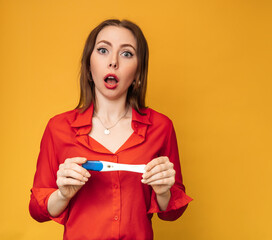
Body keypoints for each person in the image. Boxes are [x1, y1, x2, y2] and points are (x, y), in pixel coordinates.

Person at [29, 19, 192, 240]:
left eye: (126, 54)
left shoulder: (161, 127)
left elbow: (173, 212)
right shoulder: (58, 128)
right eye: (103, 50)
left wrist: (163, 191)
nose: (113, 62)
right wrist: (62, 195)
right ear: (88, 66)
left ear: (138, 73)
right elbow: (37, 211)